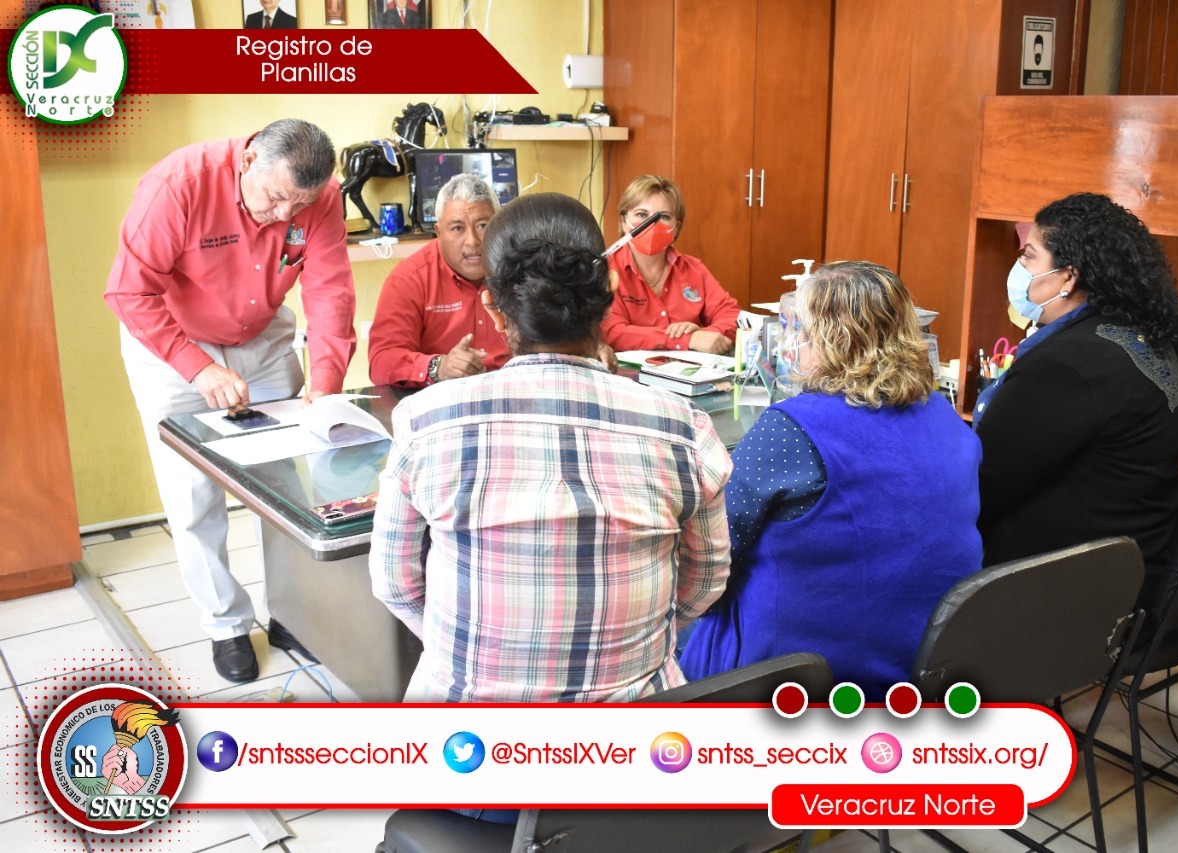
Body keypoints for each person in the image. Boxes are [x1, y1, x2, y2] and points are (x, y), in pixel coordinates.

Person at [369, 192, 732, 704]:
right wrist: (631, 643)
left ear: (494, 309)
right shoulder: (683, 428)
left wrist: (468, 652)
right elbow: (706, 579)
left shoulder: (424, 421)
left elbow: (395, 583)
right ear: (609, 289)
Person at [105, 119, 357, 683]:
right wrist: (197, 367)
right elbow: (129, 291)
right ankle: (226, 623)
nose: (284, 216)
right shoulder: (179, 186)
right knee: (193, 495)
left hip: (261, 335)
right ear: (247, 162)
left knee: (293, 481)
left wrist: (325, 383)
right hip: (173, 343)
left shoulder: (318, 197)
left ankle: (291, 609)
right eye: (274, 198)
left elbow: (330, 292)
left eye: (299, 205)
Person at [680, 261, 983, 698]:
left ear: (829, 338)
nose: (792, 342)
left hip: (799, 676)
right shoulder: (947, 418)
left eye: (799, 328)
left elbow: (710, 546)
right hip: (921, 662)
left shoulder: (793, 428)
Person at [973, 192, 1178, 610]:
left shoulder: (1066, 365)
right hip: (1130, 571)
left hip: (1063, 592)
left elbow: (983, 485)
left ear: (1068, 277)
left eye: (1028, 257)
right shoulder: (1143, 339)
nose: (1019, 269)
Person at [368, 174, 507, 387]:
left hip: (513, 392)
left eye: (482, 225)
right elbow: (382, 362)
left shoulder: (523, 267)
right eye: (457, 228)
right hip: (441, 398)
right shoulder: (409, 279)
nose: (472, 241)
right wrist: (437, 367)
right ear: (438, 232)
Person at [601, 175, 741, 355]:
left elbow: (733, 317)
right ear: (623, 221)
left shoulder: (694, 269)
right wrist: (686, 339)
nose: (651, 224)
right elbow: (613, 332)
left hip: (690, 369)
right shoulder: (606, 270)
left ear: (677, 226)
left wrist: (705, 335)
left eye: (664, 217)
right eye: (642, 214)